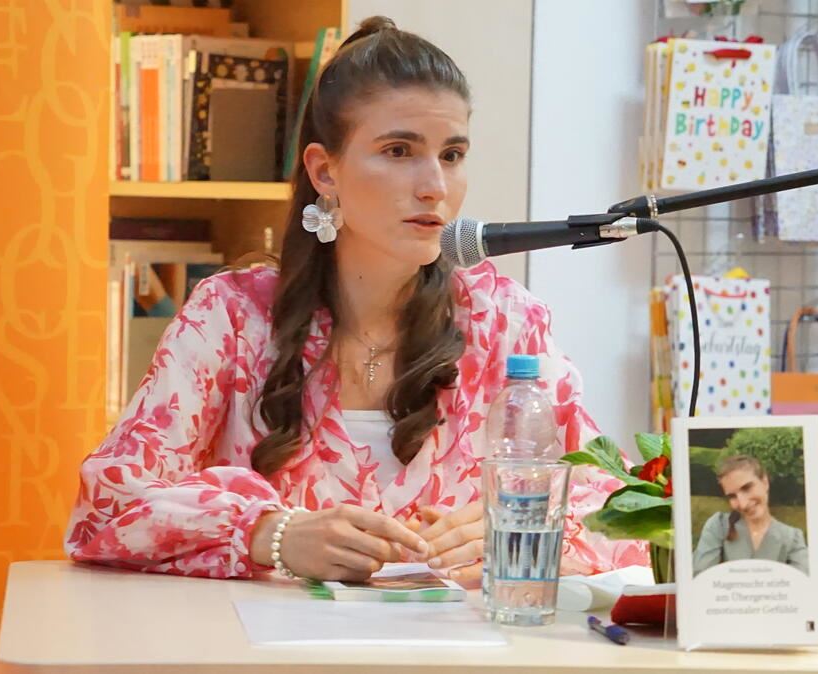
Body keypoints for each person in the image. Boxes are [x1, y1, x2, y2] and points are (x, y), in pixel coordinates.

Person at [64, 17, 645, 585]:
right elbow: (108, 509)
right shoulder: (231, 318)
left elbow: (625, 515)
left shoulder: (507, 323)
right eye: (398, 151)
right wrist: (272, 534)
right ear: (324, 171)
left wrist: (521, 530)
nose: (434, 186)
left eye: (452, 155)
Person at [692, 455, 808, 575]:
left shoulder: (792, 538)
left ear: (765, 482)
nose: (743, 504)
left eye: (747, 488)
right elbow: (701, 580)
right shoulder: (719, 526)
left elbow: (801, 587)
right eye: (732, 496)